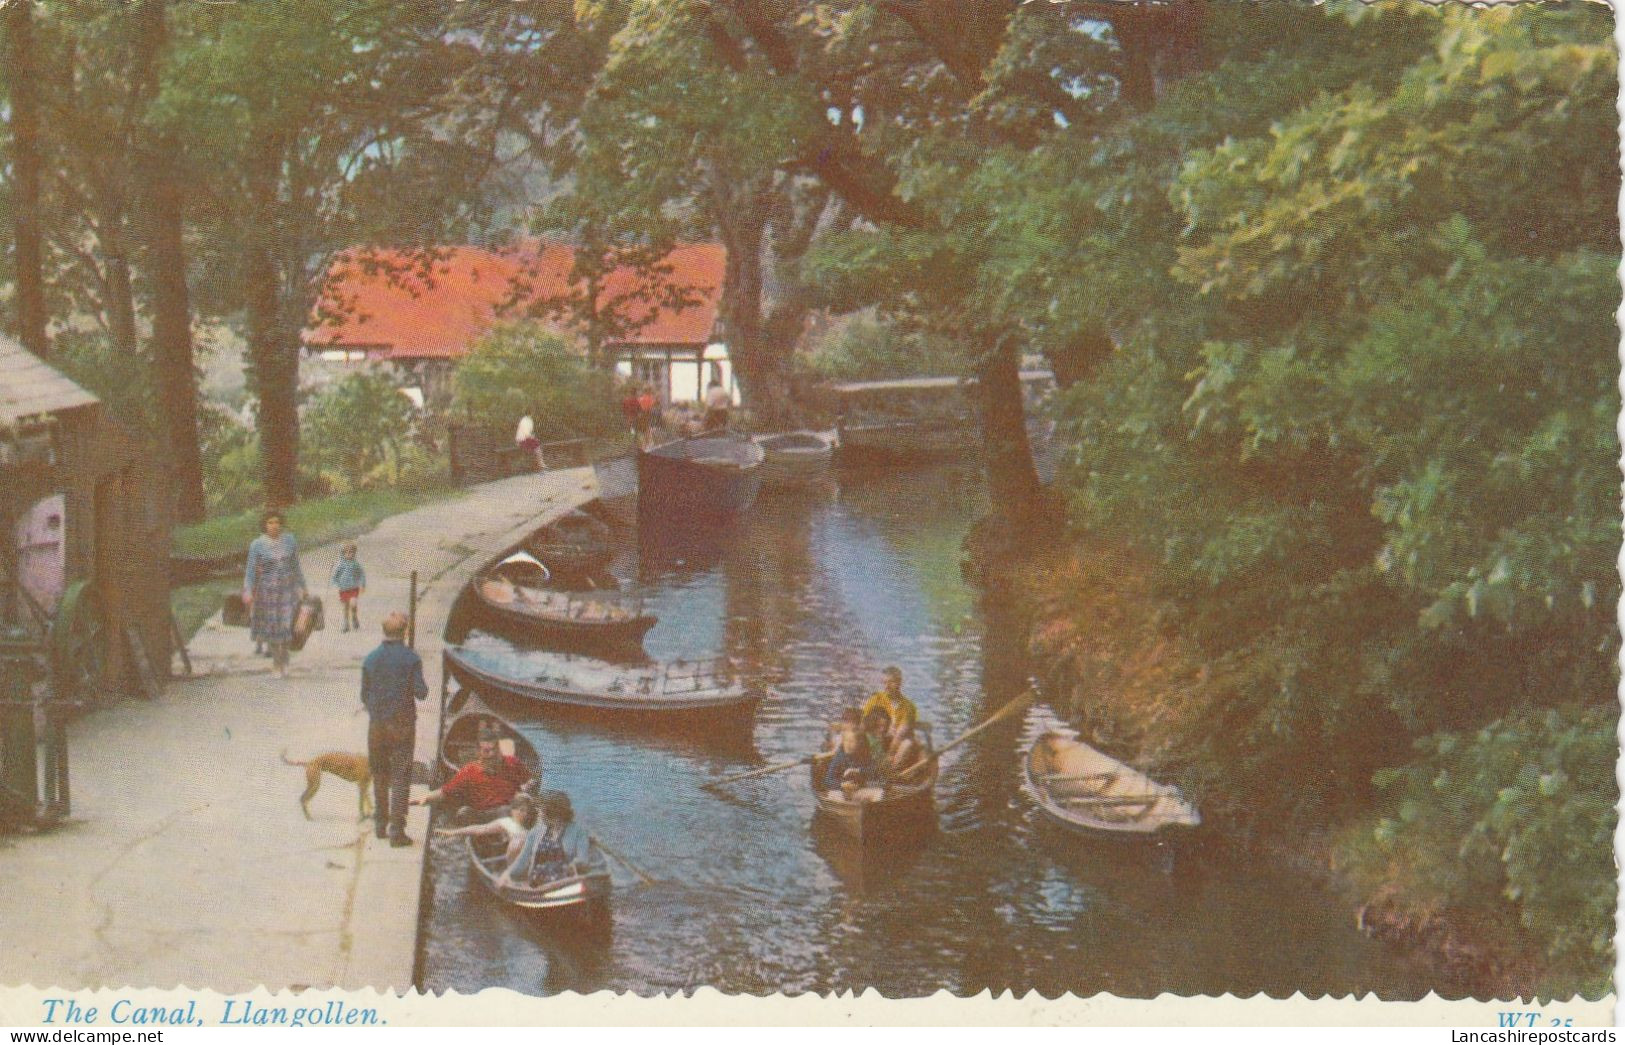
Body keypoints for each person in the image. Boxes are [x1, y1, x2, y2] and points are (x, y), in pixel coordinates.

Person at [360, 611, 428, 847]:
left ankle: (380, 824)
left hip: (377, 726)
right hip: (402, 726)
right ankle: (397, 830)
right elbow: (422, 692)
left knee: (379, 774)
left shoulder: (370, 659)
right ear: (405, 632)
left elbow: (364, 695)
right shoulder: (411, 659)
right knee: (400, 777)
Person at [413, 732, 532, 824]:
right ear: (479, 753)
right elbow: (444, 792)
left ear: (499, 749)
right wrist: (420, 800)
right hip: (484, 815)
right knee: (464, 813)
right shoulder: (469, 771)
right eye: (486, 751)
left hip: (510, 812)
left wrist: (526, 791)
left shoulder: (513, 763)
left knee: (509, 810)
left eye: (494, 750)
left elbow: (529, 781)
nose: (491, 754)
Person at [243, 511, 307, 678]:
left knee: (286, 625)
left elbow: (296, 566)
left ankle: (285, 659)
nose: (274, 525)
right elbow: (250, 571)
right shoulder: (257, 544)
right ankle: (276, 663)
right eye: (270, 522)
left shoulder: (289, 540)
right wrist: (248, 591)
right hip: (267, 591)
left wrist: (303, 586)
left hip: (287, 589)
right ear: (265, 525)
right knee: (271, 628)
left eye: (277, 522)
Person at [499, 790, 598, 888]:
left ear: (552, 814)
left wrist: (574, 867)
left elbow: (583, 861)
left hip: (567, 880)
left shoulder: (579, 831)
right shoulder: (535, 832)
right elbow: (522, 860)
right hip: (538, 883)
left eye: (542, 812)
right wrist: (508, 874)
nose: (539, 814)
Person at [435, 791, 539, 869]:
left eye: (527, 811)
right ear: (513, 810)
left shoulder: (534, 825)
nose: (524, 814)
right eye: (521, 810)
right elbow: (480, 829)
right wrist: (452, 832)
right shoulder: (507, 823)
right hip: (515, 863)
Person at [820, 707, 873, 792]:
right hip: (842, 785)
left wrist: (858, 770)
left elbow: (872, 768)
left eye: (854, 723)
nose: (850, 725)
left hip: (858, 786)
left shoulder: (862, 744)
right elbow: (828, 780)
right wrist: (842, 785)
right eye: (847, 722)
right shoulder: (841, 753)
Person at [861, 666, 918, 740]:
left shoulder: (908, 706)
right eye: (884, 682)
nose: (886, 686)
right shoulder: (875, 699)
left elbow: (904, 730)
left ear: (899, 682)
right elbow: (863, 723)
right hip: (876, 740)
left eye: (891, 682)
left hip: (897, 741)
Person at [331, 542, 366, 633]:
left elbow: (361, 574)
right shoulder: (340, 564)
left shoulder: (356, 564)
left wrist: (362, 584)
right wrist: (334, 583)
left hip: (353, 588)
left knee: (353, 604)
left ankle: (354, 617)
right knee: (345, 607)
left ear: (355, 553)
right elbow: (335, 575)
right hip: (343, 589)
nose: (350, 554)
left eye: (352, 552)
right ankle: (345, 623)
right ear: (343, 553)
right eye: (347, 552)